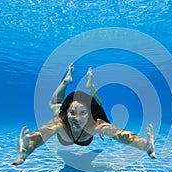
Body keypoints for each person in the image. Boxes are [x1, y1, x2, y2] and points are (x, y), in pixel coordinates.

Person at [11, 64, 157, 166]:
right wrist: (27, 149)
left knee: (97, 105)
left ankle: (91, 87)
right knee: (54, 104)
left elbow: (120, 134)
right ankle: (66, 81)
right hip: (66, 138)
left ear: (89, 116)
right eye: (72, 113)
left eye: (82, 113)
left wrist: (145, 145)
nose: (76, 118)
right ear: (66, 113)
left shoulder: (95, 125)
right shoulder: (60, 121)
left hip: (85, 135)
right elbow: (40, 136)